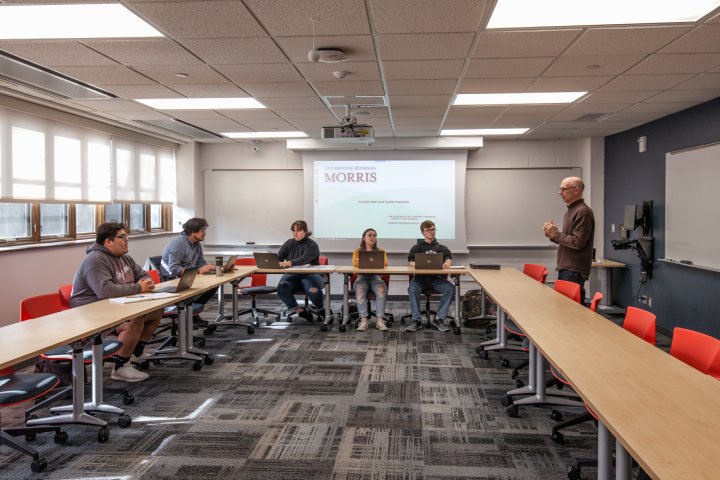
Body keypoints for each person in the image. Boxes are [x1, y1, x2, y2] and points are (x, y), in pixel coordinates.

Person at [69, 222, 162, 382]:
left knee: (156, 311)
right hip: (92, 313)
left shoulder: (124, 257)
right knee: (135, 320)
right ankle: (120, 366)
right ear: (108, 242)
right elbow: (106, 291)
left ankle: (135, 353)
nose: (127, 240)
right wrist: (138, 288)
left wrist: (145, 281)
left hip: (115, 308)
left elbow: (143, 274)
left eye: (127, 236)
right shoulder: (96, 260)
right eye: (122, 237)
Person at [543, 176, 595, 304]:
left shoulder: (583, 212)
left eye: (563, 189)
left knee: (571, 311)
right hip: (567, 268)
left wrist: (556, 234)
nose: (560, 192)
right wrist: (552, 235)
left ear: (576, 190)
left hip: (574, 270)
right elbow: (568, 240)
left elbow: (577, 242)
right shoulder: (571, 210)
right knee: (564, 309)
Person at [160, 218, 217, 317]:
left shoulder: (197, 244)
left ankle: (192, 315)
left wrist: (211, 267)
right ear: (192, 231)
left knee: (214, 284)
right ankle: (187, 315)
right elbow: (173, 270)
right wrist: (199, 271)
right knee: (203, 286)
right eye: (202, 230)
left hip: (189, 277)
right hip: (172, 279)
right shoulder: (178, 243)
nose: (205, 233)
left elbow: (201, 263)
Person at [406, 220, 454, 332]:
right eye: (428, 230)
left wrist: (447, 263)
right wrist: (418, 264)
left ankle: (439, 319)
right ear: (423, 232)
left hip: (435, 279)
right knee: (412, 288)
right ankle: (416, 320)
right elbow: (410, 261)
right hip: (420, 278)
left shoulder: (441, 247)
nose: (431, 232)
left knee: (450, 288)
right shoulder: (417, 247)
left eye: (433, 229)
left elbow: (448, 257)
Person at [276, 220, 325, 320]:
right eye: (293, 230)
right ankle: (299, 311)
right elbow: (279, 258)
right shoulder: (289, 243)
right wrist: (275, 262)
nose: (295, 233)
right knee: (281, 287)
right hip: (293, 275)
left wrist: (289, 263)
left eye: (298, 230)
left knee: (311, 287)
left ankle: (321, 310)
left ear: (305, 231)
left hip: (311, 274)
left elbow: (303, 259)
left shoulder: (312, 245)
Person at [351, 228, 389, 332]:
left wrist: (364, 262)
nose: (373, 237)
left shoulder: (381, 251)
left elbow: (385, 263)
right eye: (370, 235)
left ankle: (380, 321)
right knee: (359, 291)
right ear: (364, 238)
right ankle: (363, 321)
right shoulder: (357, 251)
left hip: (375, 277)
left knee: (381, 290)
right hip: (362, 277)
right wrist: (373, 262)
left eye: (374, 235)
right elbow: (355, 263)